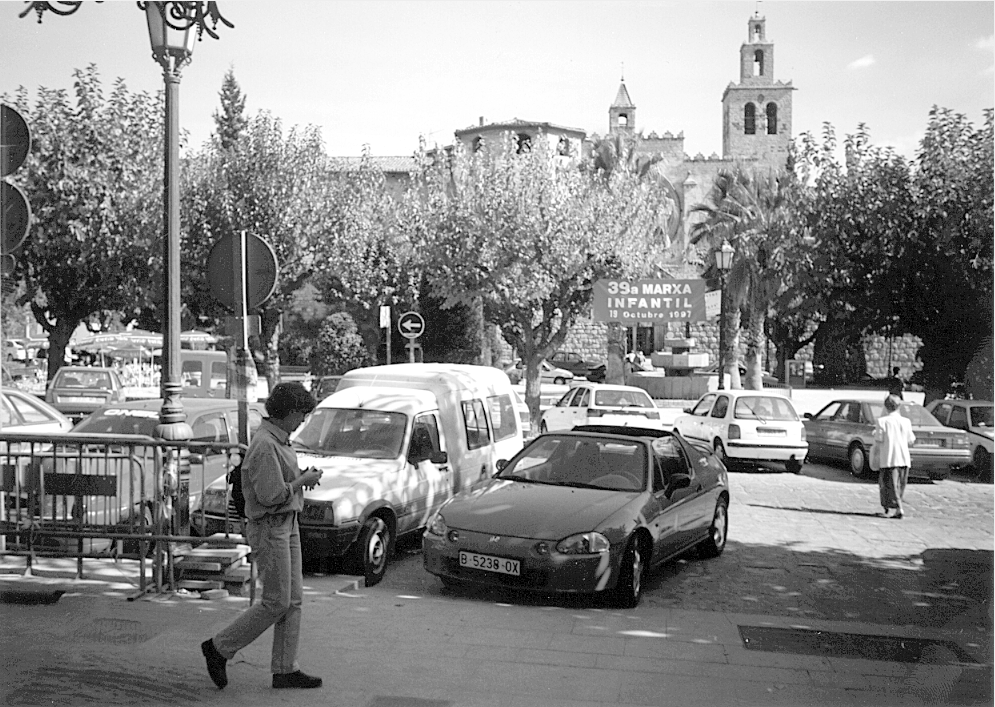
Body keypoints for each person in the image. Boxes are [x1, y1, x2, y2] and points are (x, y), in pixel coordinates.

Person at [201, 382, 324, 690]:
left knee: (293, 600)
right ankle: (219, 647)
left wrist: (299, 480)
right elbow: (271, 495)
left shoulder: (277, 439)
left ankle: (285, 668)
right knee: (276, 601)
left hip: (285, 523)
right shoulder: (266, 444)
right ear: (290, 412)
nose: (302, 422)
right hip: (271, 525)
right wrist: (302, 481)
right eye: (301, 416)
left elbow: (277, 486)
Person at [873, 394, 915, 519]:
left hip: (889, 458)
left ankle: (897, 508)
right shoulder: (906, 421)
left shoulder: (882, 422)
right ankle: (895, 508)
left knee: (888, 484)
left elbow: (879, 439)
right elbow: (911, 439)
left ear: (886, 407)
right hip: (903, 458)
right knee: (900, 485)